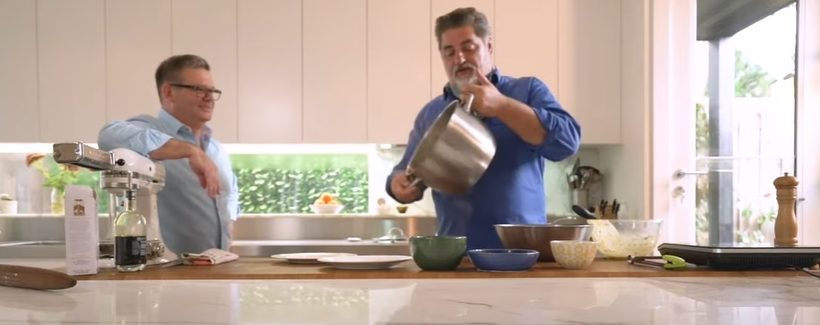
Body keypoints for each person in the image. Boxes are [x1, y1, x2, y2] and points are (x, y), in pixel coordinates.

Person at [386, 8, 581, 249]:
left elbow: (567, 143)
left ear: (488, 46)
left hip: (522, 255)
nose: (459, 59)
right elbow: (406, 171)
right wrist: (398, 185)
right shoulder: (431, 113)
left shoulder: (527, 91)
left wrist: (502, 106)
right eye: (449, 52)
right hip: (456, 256)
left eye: (468, 47)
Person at [98, 54, 239, 254]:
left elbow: (230, 193)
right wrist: (189, 150)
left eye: (212, 90)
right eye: (199, 89)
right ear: (169, 92)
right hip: (169, 271)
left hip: (216, 265)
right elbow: (108, 136)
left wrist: (229, 224)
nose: (209, 97)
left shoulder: (216, 148)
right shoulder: (150, 128)